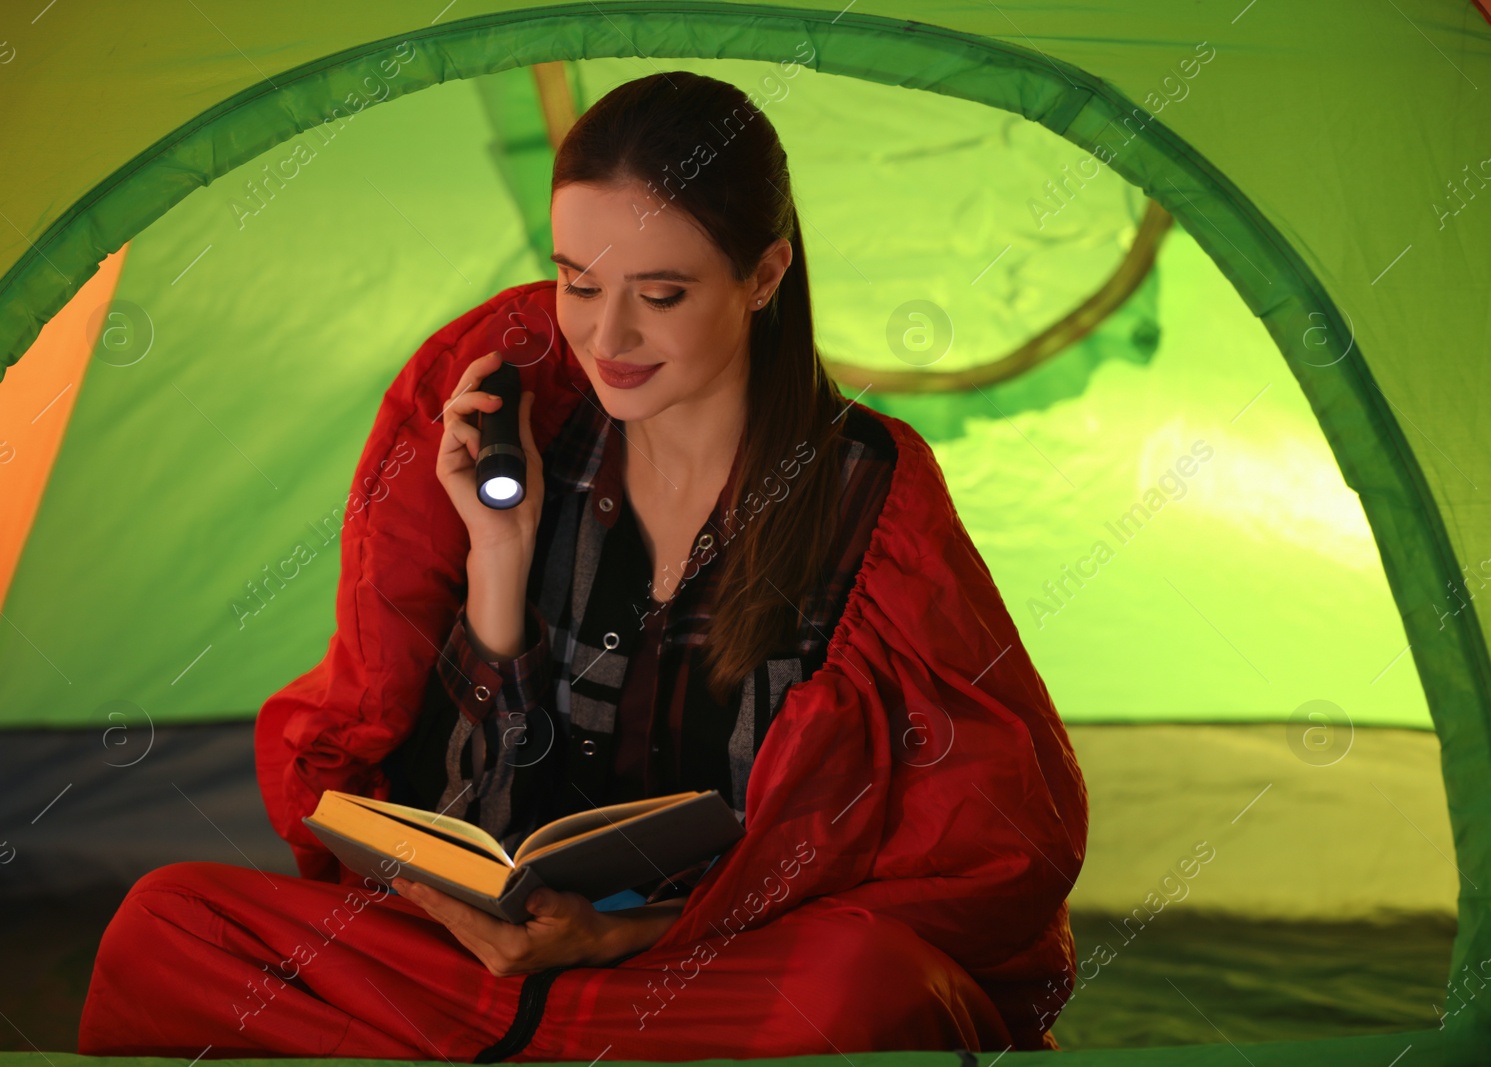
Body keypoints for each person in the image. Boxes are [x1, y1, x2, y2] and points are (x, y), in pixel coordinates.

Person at [78, 70, 1087, 1061]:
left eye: (660, 293)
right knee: (173, 921)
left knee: (858, 983)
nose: (608, 337)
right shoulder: (538, 439)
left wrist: (616, 935)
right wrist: (497, 558)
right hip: (487, 972)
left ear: (765, 275)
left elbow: (970, 854)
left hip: (708, 980)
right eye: (577, 281)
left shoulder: (870, 491)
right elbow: (460, 822)